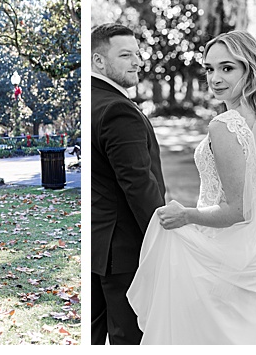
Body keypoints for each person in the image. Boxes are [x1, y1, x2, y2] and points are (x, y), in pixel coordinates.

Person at [127, 31, 256, 345]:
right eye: (209, 68)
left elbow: (239, 210)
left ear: (250, 69)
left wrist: (185, 216)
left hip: (230, 244)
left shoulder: (226, 125)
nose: (215, 78)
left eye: (227, 68)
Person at [91, 23, 166, 345]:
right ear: (98, 61)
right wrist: (165, 239)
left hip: (97, 248)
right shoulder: (118, 109)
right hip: (124, 251)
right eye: (125, 55)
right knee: (130, 339)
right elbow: (139, 185)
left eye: (137, 54)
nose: (137, 62)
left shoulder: (93, 100)